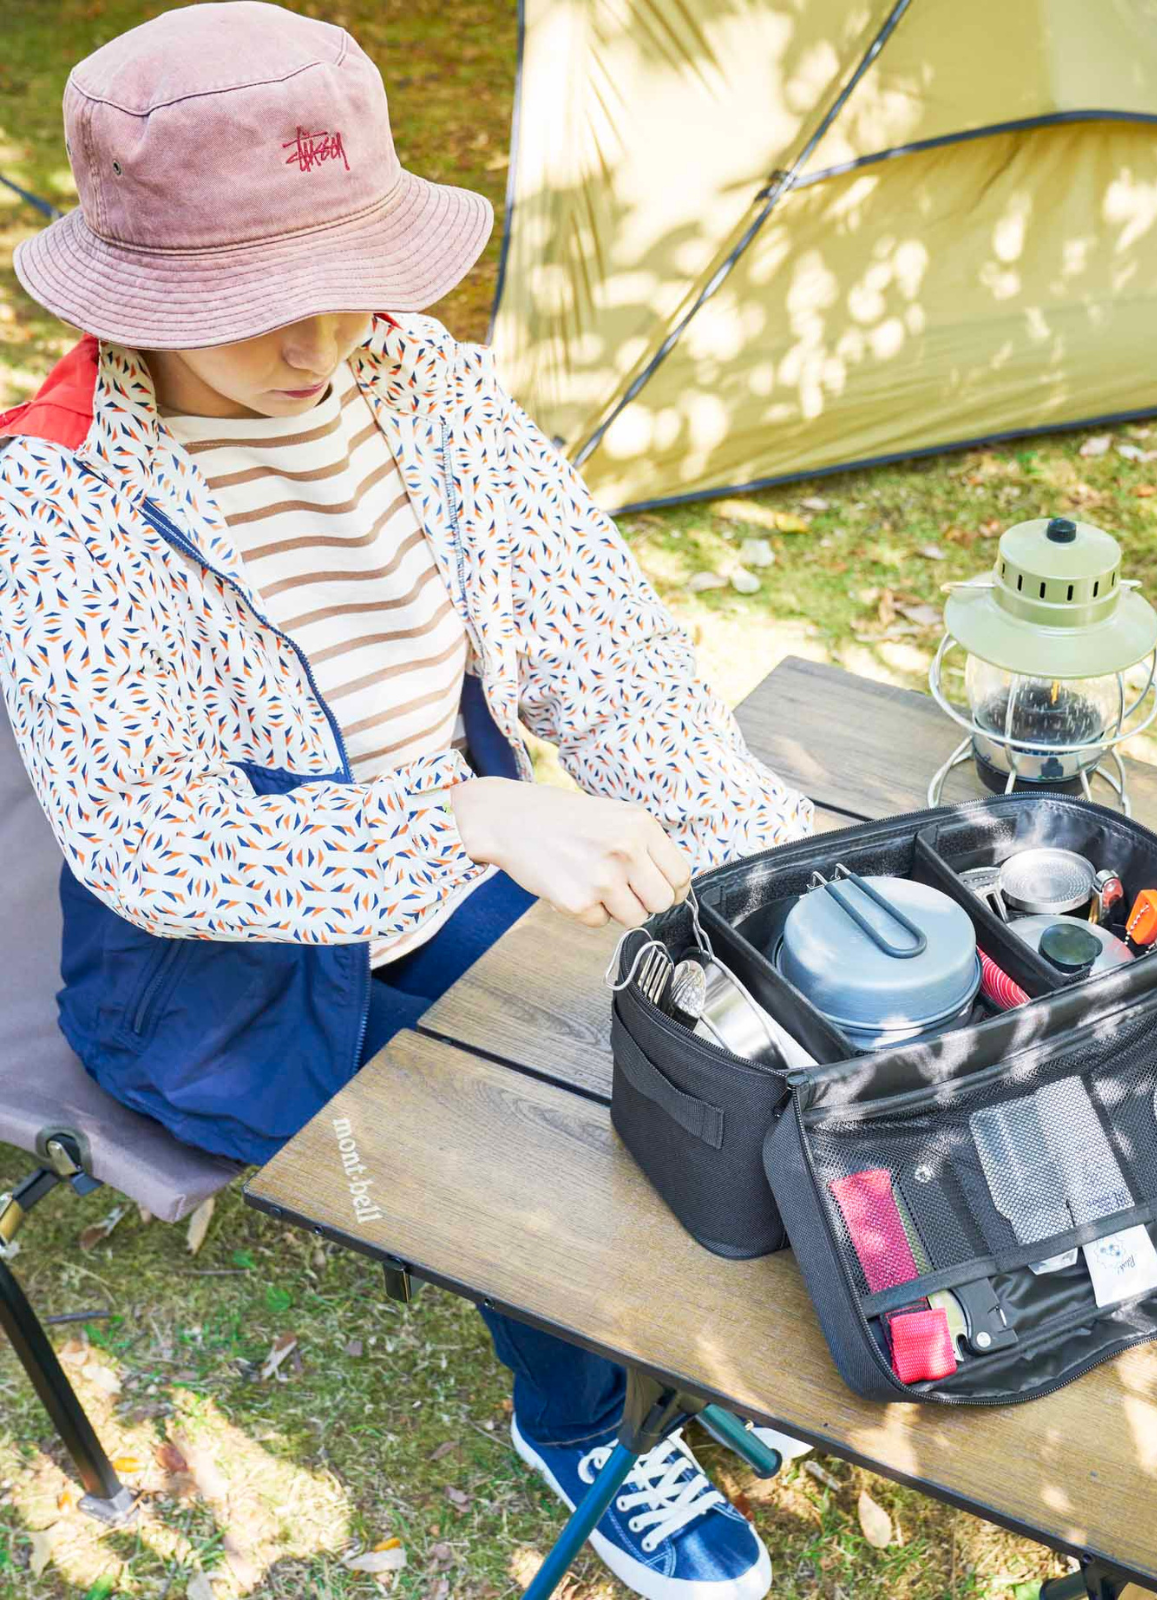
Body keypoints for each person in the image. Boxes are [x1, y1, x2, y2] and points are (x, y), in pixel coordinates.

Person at [0, 6, 812, 1597]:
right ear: (143, 295)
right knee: (545, 1137)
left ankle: (663, 1343)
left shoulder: (410, 370)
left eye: (345, 281)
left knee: (711, 1027)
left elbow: (600, 638)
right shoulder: (58, 490)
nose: (321, 343)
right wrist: (458, 820)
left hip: (453, 850)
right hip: (225, 970)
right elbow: (161, 844)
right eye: (258, 307)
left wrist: (761, 855)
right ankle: (583, 1418)